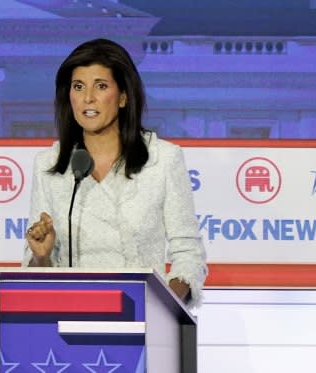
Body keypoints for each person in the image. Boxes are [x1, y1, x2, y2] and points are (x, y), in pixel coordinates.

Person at [23, 38, 207, 307]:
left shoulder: (163, 159)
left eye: (101, 86)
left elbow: (188, 255)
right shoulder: (48, 165)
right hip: (67, 319)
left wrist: (163, 306)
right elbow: (35, 268)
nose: (88, 98)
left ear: (123, 96)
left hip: (141, 320)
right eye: (78, 87)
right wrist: (41, 257)